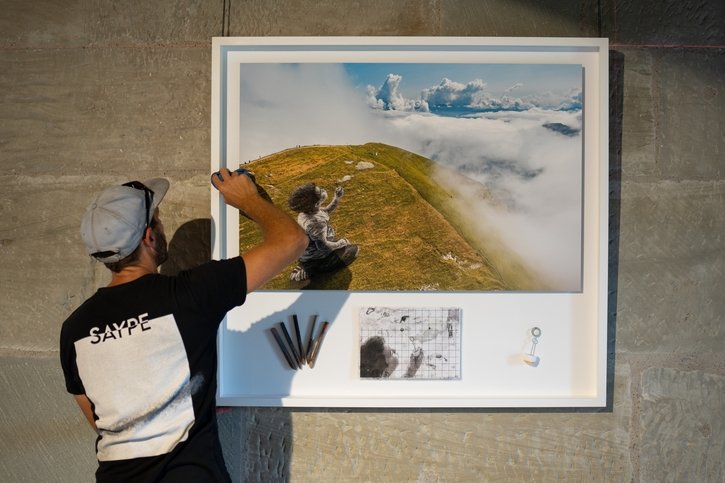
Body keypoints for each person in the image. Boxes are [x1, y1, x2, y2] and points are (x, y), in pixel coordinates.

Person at [59, 169, 307, 482]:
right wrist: (247, 199)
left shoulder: (74, 329)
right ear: (150, 237)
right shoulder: (189, 295)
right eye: (159, 220)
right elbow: (292, 240)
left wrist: (179, 402)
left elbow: (103, 419)